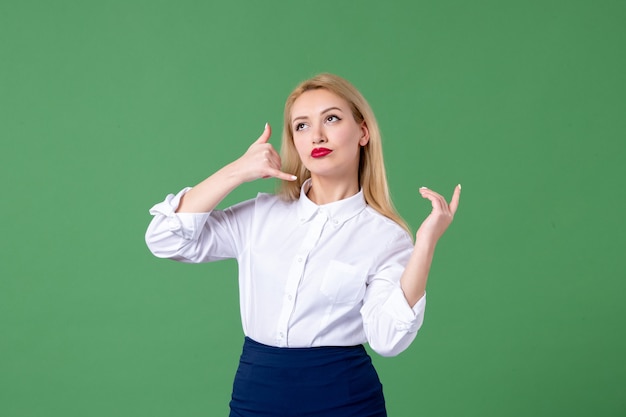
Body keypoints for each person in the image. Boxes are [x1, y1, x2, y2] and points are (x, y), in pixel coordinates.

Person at [145, 73, 461, 417]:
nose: (317, 136)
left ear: (363, 132)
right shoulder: (260, 216)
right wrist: (237, 171)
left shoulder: (385, 237)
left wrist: (426, 243)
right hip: (257, 395)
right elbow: (165, 239)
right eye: (301, 126)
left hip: (345, 400)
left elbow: (388, 340)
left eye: (332, 118)